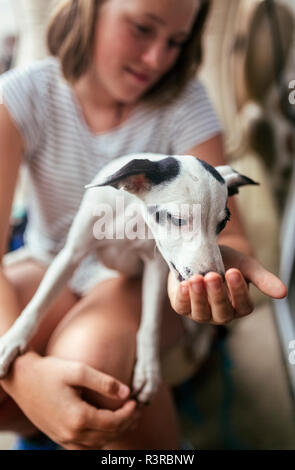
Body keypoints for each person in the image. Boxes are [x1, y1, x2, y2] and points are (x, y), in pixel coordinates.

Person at [0, 0, 287, 450]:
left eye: (176, 41)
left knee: (90, 361)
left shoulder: (185, 101)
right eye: (141, 28)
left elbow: (224, 225)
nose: (157, 58)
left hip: (137, 277)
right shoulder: (22, 95)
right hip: (52, 257)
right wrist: (24, 376)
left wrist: (209, 269)